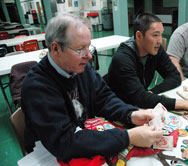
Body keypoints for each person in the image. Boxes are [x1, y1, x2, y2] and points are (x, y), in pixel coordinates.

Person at [21, 14, 163, 163]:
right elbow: (63, 142)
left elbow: (104, 98)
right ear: (56, 48)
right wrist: (129, 137)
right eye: (80, 49)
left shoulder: (80, 68)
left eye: (89, 46)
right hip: (48, 153)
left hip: (80, 138)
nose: (89, 56)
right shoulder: (37, 87)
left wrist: (131, 114)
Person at [106, 13, 188, 120]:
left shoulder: (155, 49)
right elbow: (139, 98)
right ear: (139, 36)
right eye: (155, 35)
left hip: (137, 106)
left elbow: (175, 76)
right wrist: (186, 104)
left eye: (161, 34)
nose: (160, 40)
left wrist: (152, 92)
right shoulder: (123, 58)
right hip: (117, 111)